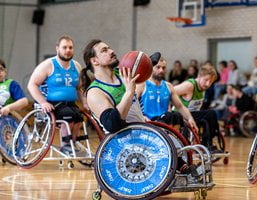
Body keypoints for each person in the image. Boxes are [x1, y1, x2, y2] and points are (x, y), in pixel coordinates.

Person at [80, 39, 200, 175]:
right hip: (122, 139)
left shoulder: (122, 74)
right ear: (94, 61)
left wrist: (149, 61)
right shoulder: (95, 91)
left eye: (109, 48)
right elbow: (112, 124)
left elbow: (141, 66)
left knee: (172, 135)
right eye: (104, 50)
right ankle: (182, 168)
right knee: (165, 140)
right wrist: (129, 92)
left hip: (141, 130)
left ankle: (183, 167)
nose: (112, 51)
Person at [27, 35, 85, 153]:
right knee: (68, 116)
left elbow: (80, 88)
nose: (68, 50)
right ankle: (65, 145)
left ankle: (73, 144)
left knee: (79, 117)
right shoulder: (48, 65)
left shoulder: (77, 66)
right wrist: (43, 102)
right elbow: (31, 85)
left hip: (70, 103)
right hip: (53, 103)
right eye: (64, 47)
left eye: (70, 47)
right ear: (57, 49)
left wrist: (85, 103)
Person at [136, 56, 198, 137]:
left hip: (165, 121)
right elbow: (132, 105)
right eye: (158, 67)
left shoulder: (168, 86)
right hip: (149, 122)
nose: (161, 70)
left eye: (163, 68)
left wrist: (190, 118)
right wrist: (141, 116)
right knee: (169, 116)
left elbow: (180, 106)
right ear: (151, 68)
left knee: (177, 115)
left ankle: (179, 142)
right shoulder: (142, 85)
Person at [174, 64, 222, 152]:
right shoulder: (190, 85)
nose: (208, 84)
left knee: (208, 118)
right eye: (206, 80)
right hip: (180, 115)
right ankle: (207, 145)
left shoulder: (203, 87)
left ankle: (208, 142)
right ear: (199, 76)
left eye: (211, 82)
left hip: (193, 115)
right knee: (211, 113)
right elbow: (170, 92)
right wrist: (169, 108)